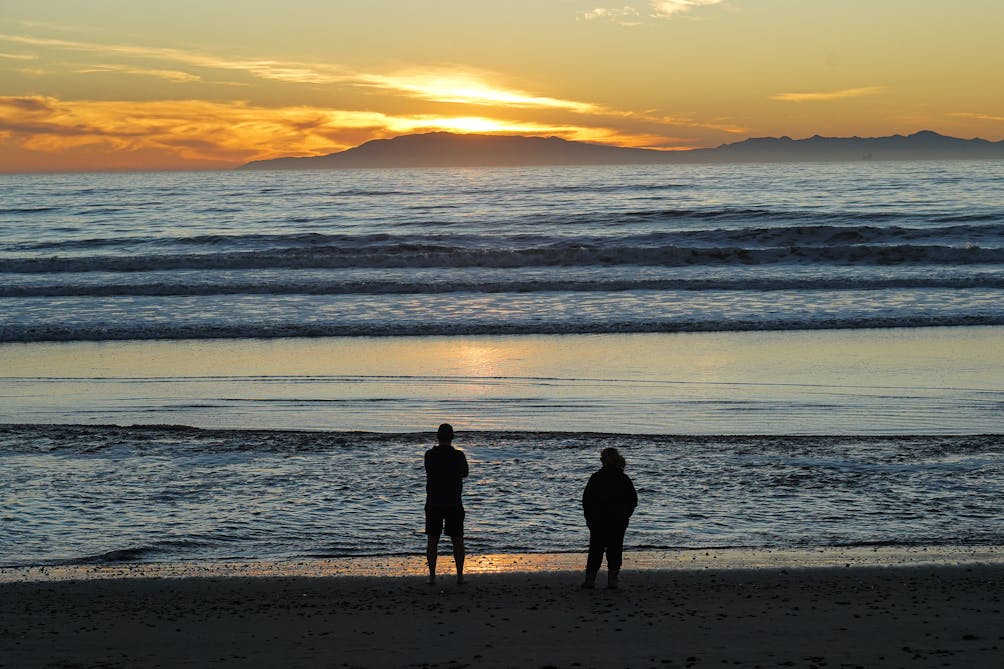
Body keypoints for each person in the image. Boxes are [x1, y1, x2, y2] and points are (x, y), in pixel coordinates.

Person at [581, 447, 637, 590]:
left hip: (599, 521)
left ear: (605, 460)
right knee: (615, 549)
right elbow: (633, 500)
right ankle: (612, 581)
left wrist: (590, 519)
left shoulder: (596, 478)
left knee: (595, 550)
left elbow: (586, 501)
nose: (600, 460)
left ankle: (590, 581)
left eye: (602, 458)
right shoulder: (623, 478)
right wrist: (625, 516)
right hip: (617, 521)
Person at [424, 423, 469, 584]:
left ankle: (432, 577)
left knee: (432, 540)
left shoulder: (429, 455)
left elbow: (429, 471)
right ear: (452, 437)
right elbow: (465, 473)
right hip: (453, 501)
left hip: (434, 501)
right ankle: (459, 576)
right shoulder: (458, 456)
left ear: (437, 436)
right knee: (457, 539)